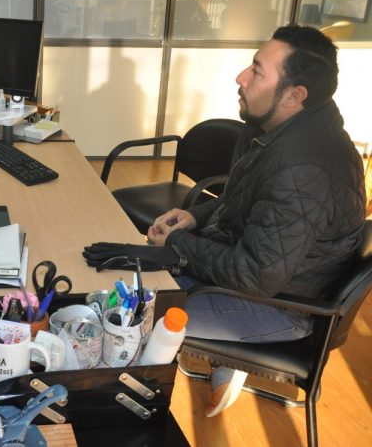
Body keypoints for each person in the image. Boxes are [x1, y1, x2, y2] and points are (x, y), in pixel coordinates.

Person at [147, 25, 366, 417]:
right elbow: (243, 199)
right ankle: (227, 362)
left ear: (295, 95)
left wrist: (177, 244)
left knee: (133, 316)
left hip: (280, 305)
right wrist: (194, 218)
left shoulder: (304, 166)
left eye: (257, 71)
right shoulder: (272, 128)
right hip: (259, 274)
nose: (241, 77)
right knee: (131, 276)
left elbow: (255, 275)